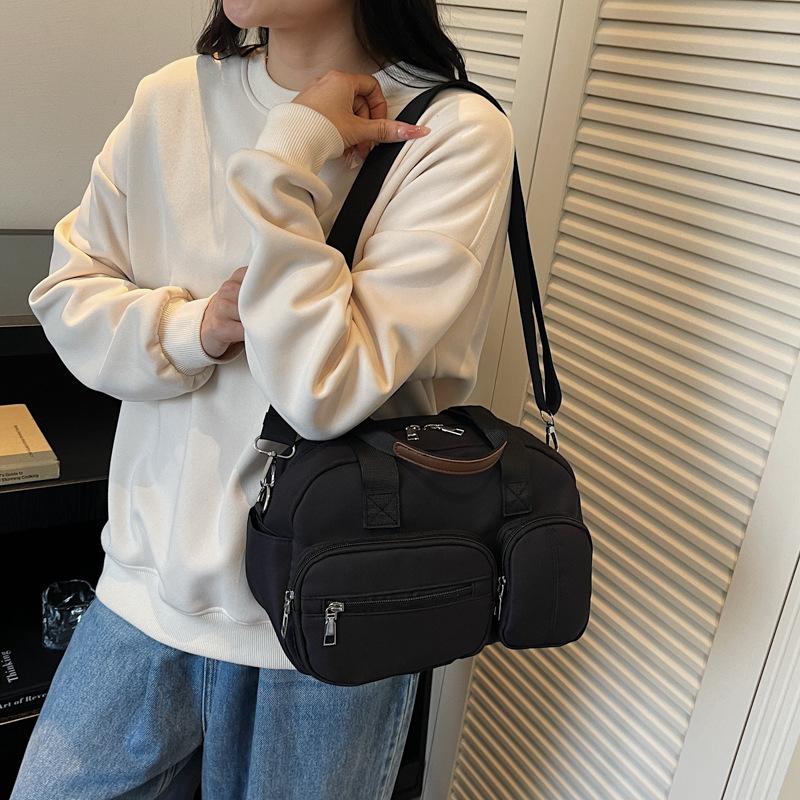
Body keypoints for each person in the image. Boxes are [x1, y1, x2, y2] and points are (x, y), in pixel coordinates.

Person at [12, 0, 516, 797]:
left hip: (333, 619)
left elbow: (325, 388)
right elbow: (68, 294)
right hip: (145, 595)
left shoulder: (449, 132)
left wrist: (288, 153)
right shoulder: (171, 98)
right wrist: (193, 328)